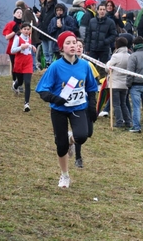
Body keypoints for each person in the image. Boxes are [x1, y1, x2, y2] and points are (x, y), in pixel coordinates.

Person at [35, 31, 98, 188]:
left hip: (79, 107)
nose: (72, 45)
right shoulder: (56, 66)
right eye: (68, 43)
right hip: (59, 110)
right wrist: (56, 99)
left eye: (74, 42)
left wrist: (92, 105)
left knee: (82, 136)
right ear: (61, 48)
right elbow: (42, 90)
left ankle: (72, 139)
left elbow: (91, 87)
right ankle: (64, 176)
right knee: (61, 146)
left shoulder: (85, 65)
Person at [72, 38, 100, 168]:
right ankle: (78, 158)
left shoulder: (88, 65)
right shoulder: (68, 65)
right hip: (75, 104)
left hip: (87, 102)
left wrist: (93, 106)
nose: (78, 48)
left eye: (80, 47)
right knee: (80, 133)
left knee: (88, 133)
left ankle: (70, 139)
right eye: (76, 46)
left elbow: (95, 83)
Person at [85, 3, 118, 79]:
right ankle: (91, 82)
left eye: (104, 9)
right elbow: (88, 35)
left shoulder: (110, 22)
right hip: (93, 48)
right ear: (97, 10)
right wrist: (87, 48)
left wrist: (106, 41)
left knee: (103, 68)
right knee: (91, 67)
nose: (102, 11)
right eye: (100, 9)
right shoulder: (91, 21)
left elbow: (114, 35)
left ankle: (102, 84)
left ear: (106, 11)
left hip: (104, 49)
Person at [105, 37, 132, 128]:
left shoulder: (116, 56)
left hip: (115, 83)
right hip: (125, 84)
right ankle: (128, 121)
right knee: (123, 103)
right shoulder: (129, 56)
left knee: (116, 104)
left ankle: (119, 121)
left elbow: (107, 68)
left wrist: (108, 63)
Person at [11, 22, 36, 112]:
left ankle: (26, 104)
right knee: (20, 82)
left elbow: (28, 46)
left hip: (28, 63)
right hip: (19, 63)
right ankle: (15, 85)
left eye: (28, 29)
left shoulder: (29, 38)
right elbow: (12, 50)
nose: (26, 31)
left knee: (28, 83)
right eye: (24, 29)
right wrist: (21, 47)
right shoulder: (17, 38)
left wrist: (32, 46)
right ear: (21, 30)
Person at [3, 7, 23, 82]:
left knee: (21, 65)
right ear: (14, 14)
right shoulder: (10, 24)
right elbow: (7, 37)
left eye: (21, 13)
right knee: (14, 65)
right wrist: (14, 32)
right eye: (17, 12)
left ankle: (20, 81)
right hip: (12, 47)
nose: (19, 14)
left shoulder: (23, 25)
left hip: (22, 47)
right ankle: (14, 81)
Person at [38, 0, 58, 67]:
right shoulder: (44, 8)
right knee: (45, 51)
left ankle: (51, 65)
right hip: (43, 32)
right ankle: (47, 65)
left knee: (50, 51)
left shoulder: (55, 8)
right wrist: (39, 27)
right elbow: (41, 19)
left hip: (51, 33)